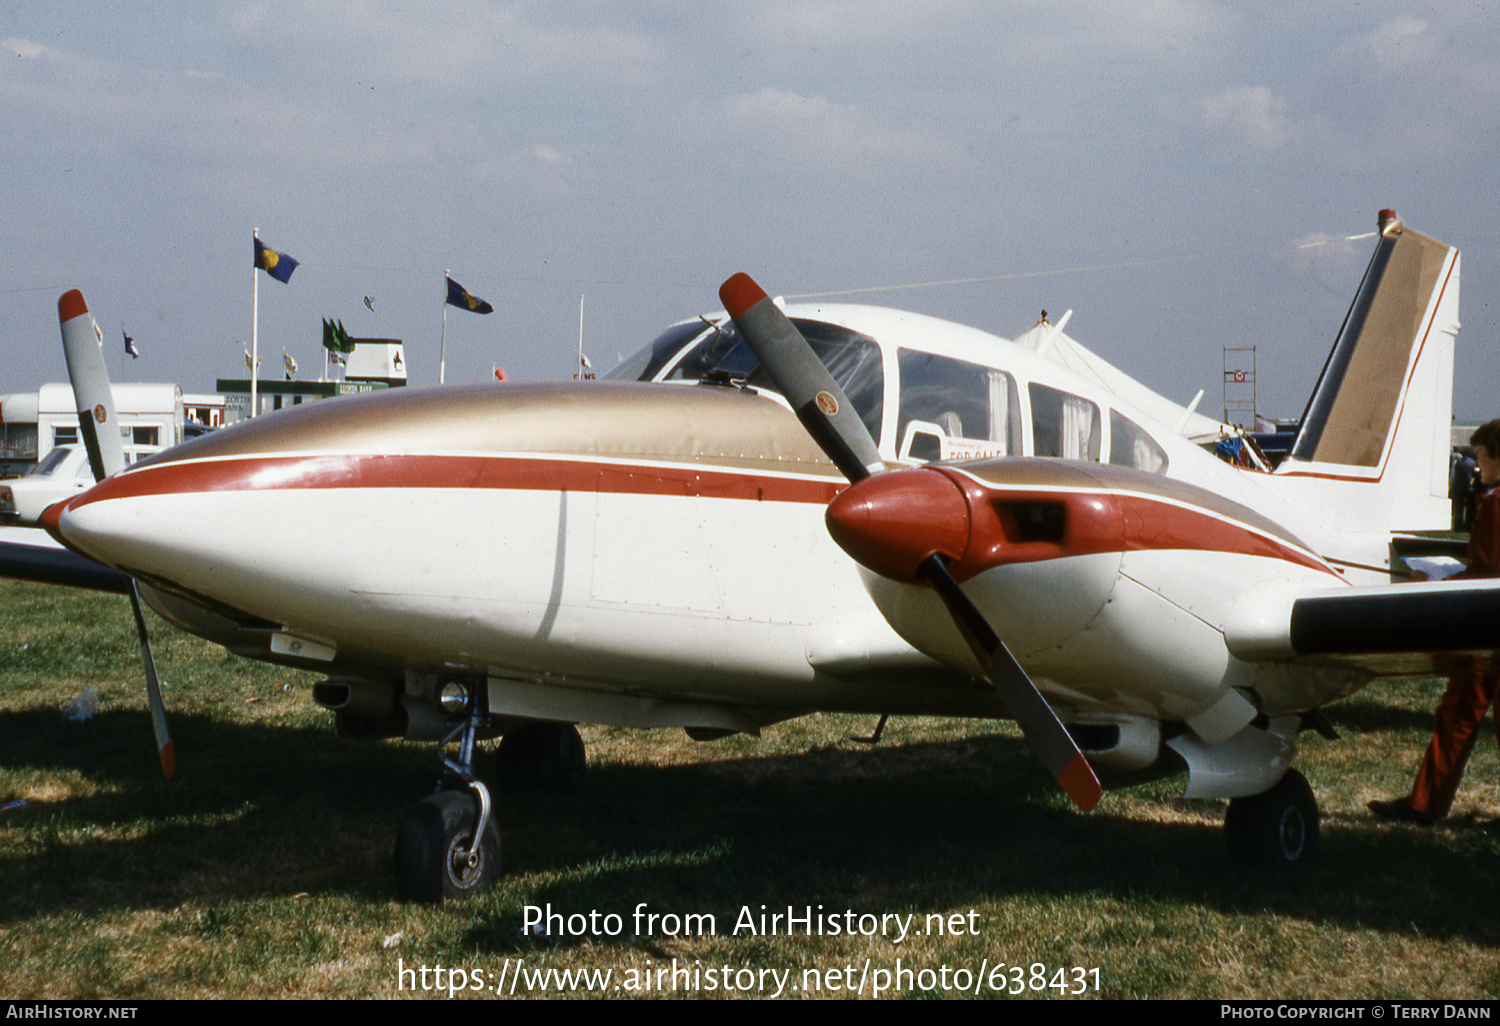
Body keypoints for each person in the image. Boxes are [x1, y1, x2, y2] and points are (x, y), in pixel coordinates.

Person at [1369, 419, 1500, 825]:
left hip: (1487, 627)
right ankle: (1424, 803)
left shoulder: (1496, 504)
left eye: (1480, 456)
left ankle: (1426, 804)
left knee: (1459, 712)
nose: (1476, 465)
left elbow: (1488, 572)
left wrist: (1437, 580)